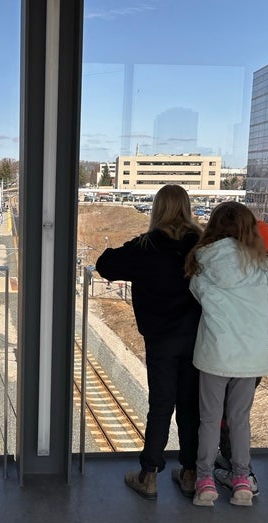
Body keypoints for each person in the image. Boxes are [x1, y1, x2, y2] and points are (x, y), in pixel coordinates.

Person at [184, 202, 268, 507]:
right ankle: (241, 482)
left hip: (214, 354)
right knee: (239, 420)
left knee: (210, 420)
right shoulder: (260, 263)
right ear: (249, 229)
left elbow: (199, 293)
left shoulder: (202, 259)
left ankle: (206, 481)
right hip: (250, 356)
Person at [95, 185, 202, 500]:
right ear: (186, 208)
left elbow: (105, 264)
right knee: (189, 406)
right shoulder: (200, 245)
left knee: (161, 405)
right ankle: (190, 473)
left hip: (160, 339)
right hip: (197, 337)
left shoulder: (146, 246)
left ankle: (149, 474)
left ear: (157, 209)